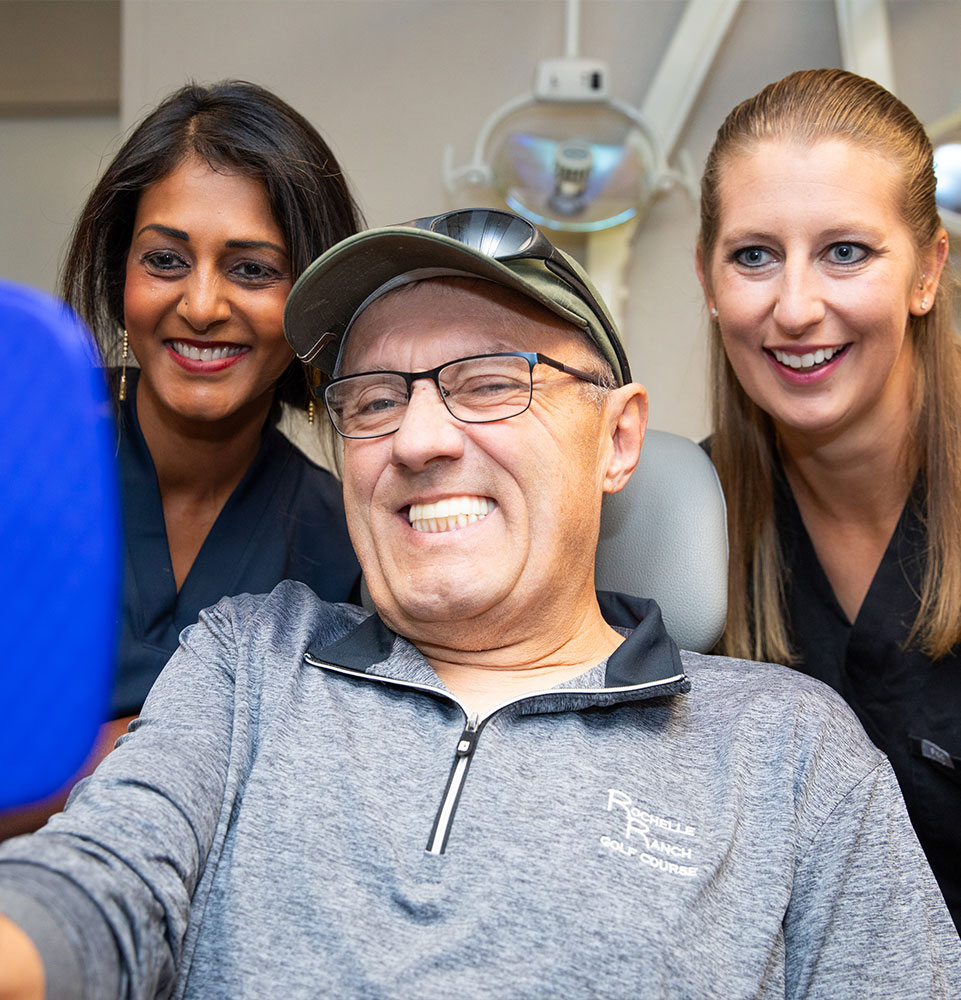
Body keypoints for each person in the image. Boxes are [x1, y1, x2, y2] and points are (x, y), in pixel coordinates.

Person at [1, 208, 958, 999]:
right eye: (374, 399)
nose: (418, 440)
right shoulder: (247, 664)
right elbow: (99, 887)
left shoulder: (787, 753)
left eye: (492, 383)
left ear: (617, 439)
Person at [0, 82, 363, 835]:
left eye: (252, 269)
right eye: (165, 260)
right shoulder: (24, 447)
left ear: (313, 303)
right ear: (119, 277)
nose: (201, 306)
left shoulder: (347, 543)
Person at [695, 68, 961, 931]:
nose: (795, 307)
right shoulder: (682, 526)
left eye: (845, 251)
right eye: (753, 255)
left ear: (926, 271)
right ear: (707, 280)